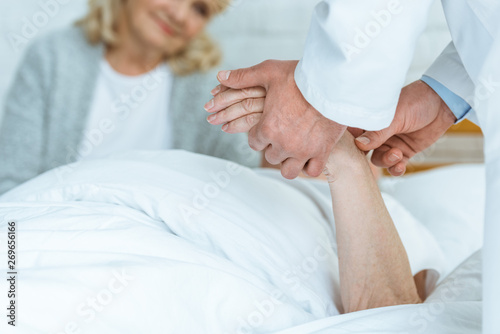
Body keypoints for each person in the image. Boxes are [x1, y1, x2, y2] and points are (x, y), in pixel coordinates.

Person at [205, 1, 500, 332]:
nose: (306, 154)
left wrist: (336, 139)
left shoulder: (396, 216)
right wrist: (442, 96)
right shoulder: (224, 181)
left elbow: (392, 316)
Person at [0, 0, 260, 195]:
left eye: (199, 9)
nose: (179, 15)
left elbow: (245, 174)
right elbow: (12, 184)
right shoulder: (51, 59)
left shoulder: (206, 87)